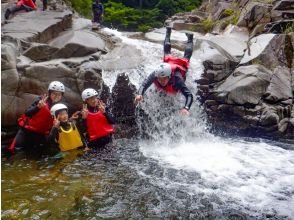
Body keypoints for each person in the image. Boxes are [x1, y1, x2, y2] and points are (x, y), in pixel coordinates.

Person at [134, 27, 194, 116]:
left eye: (164, 79)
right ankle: (168, 31)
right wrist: (139, 94)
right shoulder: (155, 74)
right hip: (167, 65)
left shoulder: (177, 80)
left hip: (179, 66)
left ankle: (190, 38)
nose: (161, 81)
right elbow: (144, 84)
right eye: (159, 79)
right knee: (166, 51)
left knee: (187, 57)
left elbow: (189, 95)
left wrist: (186, 108)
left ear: (169, 77)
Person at [7, 81, 65, 154]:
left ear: (62, 96)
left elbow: (62, 121)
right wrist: (38, 107)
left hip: (41, 135)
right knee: (16, 151)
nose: (56, 96)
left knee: (34, 155)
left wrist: (71, 119)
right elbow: (27, 113)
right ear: (50, 93)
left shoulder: (60, 107)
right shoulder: (40, 100)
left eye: (59, 94)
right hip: (26, 131)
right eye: (54, 94)